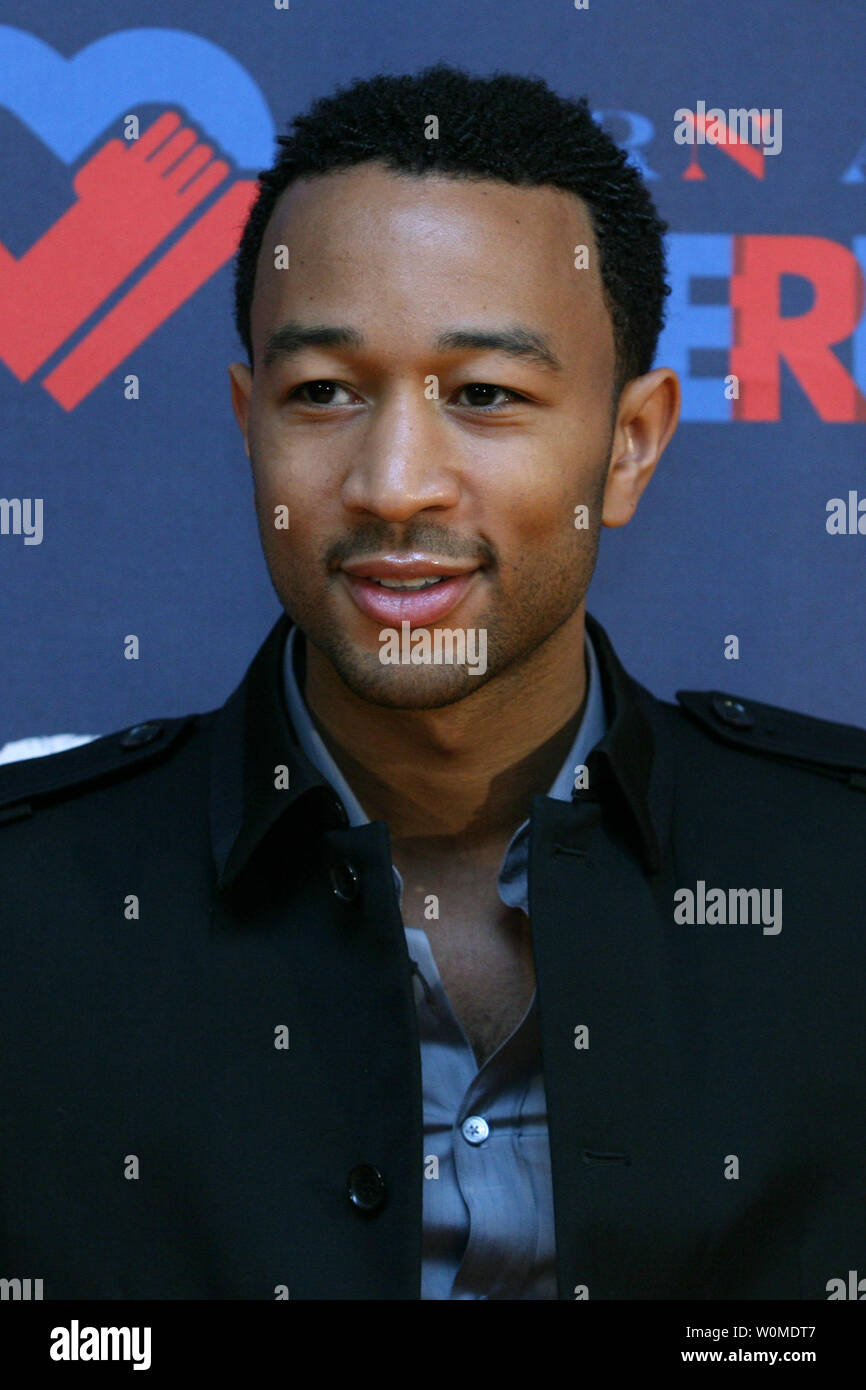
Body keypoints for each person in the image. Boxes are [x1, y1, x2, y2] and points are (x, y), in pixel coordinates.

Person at [2, 63, 864, 1302]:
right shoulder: (30, 911)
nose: (395, 480)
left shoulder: (837, 876)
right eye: (323, 393)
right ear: (249, 425)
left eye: (483, 395)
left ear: (627, 446)